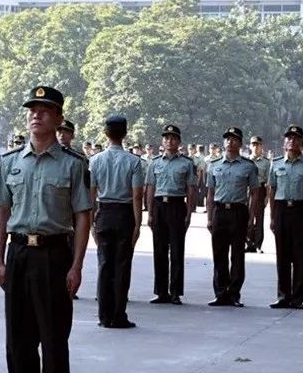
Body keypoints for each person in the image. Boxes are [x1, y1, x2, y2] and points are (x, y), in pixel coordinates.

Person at [0, 85, 91, 373]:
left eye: (45, 110)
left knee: (52, 342)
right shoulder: (10, 162)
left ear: (59, 118)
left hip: (53, 256)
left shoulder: (72, 164)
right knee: (18, 343)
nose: (36, 115)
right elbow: (0, 209)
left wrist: (76, 265)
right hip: (19, 254)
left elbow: (82, 216)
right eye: (32, 109)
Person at [87, 115, 145, 328]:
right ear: (125, 134)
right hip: (124, 215)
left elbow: (91, 196)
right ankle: (118, 315)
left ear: (105, 133)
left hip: (104, 213)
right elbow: (137, 196)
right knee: (122, 266)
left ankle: (104, 315)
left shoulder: (95, 160)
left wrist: (92, 222)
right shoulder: (134, 161)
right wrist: (138, 225)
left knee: (104, 265)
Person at [206, 127, 261, 307]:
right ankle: (220, 292)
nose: (230, 142)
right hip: (220, 211)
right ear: (224, 142)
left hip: (238, 212)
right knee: (219, 254)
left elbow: (254, 192)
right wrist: (209, 217)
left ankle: (234, 293)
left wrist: (251, 217)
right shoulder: (214, 165)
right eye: (227, 139)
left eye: (234, 139)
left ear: (240, 143)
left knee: (237, 255)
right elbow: (210, 193)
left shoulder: (248, 166)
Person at [267, 126, 303, 309]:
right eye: (288, 138)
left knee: (298, 256)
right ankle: (283, 296)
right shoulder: (276, 163)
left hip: (299, 210)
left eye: (296, 138)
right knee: (282, 256)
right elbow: (272, 191)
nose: (292, 141)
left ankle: (297, 298)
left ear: (302, 143)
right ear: (284, 142)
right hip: (281, 210)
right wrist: (272, 217)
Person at [146, 124, 196, 305]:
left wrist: (189, 213)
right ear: (162, 141)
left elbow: (191, 190)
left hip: (177, 206)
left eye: (173, 138)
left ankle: (175, 292)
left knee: (176, 250)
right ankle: (161, 292)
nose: (169, 141)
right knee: (159, 250)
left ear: (179, 142)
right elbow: (150, 188)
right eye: (166, 137)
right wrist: (150, 212)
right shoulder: (155, 162)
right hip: (159, 206)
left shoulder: (186, 163)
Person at [246, 136, 271, 253]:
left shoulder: (266, 162)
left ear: (261, 146)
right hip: (247, 191)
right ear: (250, 146)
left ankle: (257, 244)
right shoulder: (245, 161)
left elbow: (268, 182)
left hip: (260, 190)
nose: (255, 147)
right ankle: (248, 243)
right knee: (247, 217)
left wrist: (267, 196)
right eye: (253, 144)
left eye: (258, 145)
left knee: (259, 218)